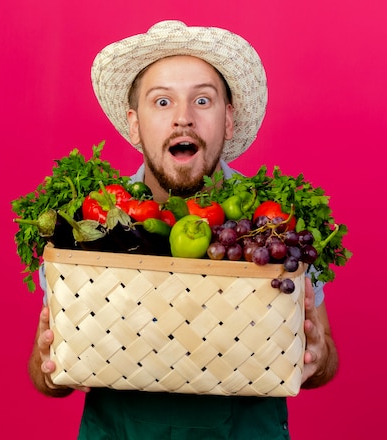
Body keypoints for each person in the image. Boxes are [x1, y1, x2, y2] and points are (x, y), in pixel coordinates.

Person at [29, 20, 338, 439]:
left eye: (203, 101)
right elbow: (44, 368)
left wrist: (317, 357)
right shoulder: (92, 225)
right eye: (162, 102)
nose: (183, 119)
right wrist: (48, 369)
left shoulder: (274, 227)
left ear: (228, 121)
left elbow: (325, 357)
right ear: (135, 124)